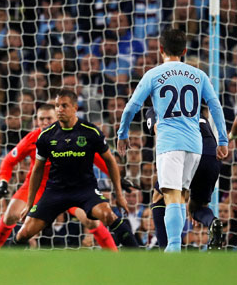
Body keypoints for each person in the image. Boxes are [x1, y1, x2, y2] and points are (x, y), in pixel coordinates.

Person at [117, 28, 229, 252]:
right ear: (185, 51)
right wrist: (223, 140)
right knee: (182, 196)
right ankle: (175, 246)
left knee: (171, 195)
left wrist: (123, 134)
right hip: (195, 144)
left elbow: (131, 107)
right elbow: (215, 106)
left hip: (170, 143)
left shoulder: (154, 74)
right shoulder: (199, 75)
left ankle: (174, 248)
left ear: (161, 49)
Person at [0, 103, 124, 251]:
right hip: (38, 186)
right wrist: (3, 182)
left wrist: (118, 178)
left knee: (91, 222)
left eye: (49, 118)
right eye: (41, 119)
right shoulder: (33, 138)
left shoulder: (74, 136)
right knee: (10, 215)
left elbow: (99, 159)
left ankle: (114, 255)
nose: (45, 122)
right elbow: (9, 161)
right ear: (36, 120)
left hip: (70, 186)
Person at [13, 90, 138, 248]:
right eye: (57, 106)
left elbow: (110, 161)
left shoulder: (90, 132)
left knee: (108, 215)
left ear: (75, 108)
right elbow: (37, 170)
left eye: (64, 105)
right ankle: (7, 261)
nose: (60, 109)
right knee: (24, 233)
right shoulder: (46, 136)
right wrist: (30, 202)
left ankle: (137, 255)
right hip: (55, 191)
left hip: (84, 190)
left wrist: (119, 195)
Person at [145, 107, 224, 250]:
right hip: (212, 157)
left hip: (187, 153)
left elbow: (159, 130)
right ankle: (212, 222)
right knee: (197, 207)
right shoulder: (194, 107)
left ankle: (166, 249)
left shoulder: (158, 107)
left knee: (159, 197)